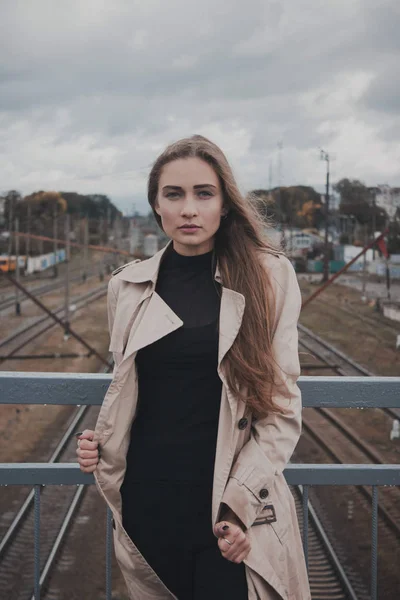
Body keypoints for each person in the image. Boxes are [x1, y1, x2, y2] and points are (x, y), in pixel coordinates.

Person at [76, 134, 311, 600]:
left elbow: (282, 410)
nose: (188, 209)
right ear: (155, 205)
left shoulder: (269, 277)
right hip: (148, 501)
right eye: (174, 194)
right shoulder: (126, 286)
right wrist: (98, 441)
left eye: (204, 194)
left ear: (224, 204)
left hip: (224, 510)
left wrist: (240, 506)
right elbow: (135, 389)